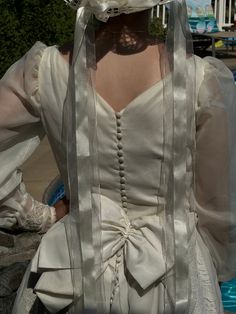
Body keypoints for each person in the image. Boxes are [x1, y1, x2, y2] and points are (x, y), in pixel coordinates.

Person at [0, 0, 236, 313]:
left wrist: (38, 214)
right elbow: (218, 206)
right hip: (173, 275)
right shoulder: (198, 78)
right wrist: (212, 269)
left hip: (72, 270)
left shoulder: (44, 70)